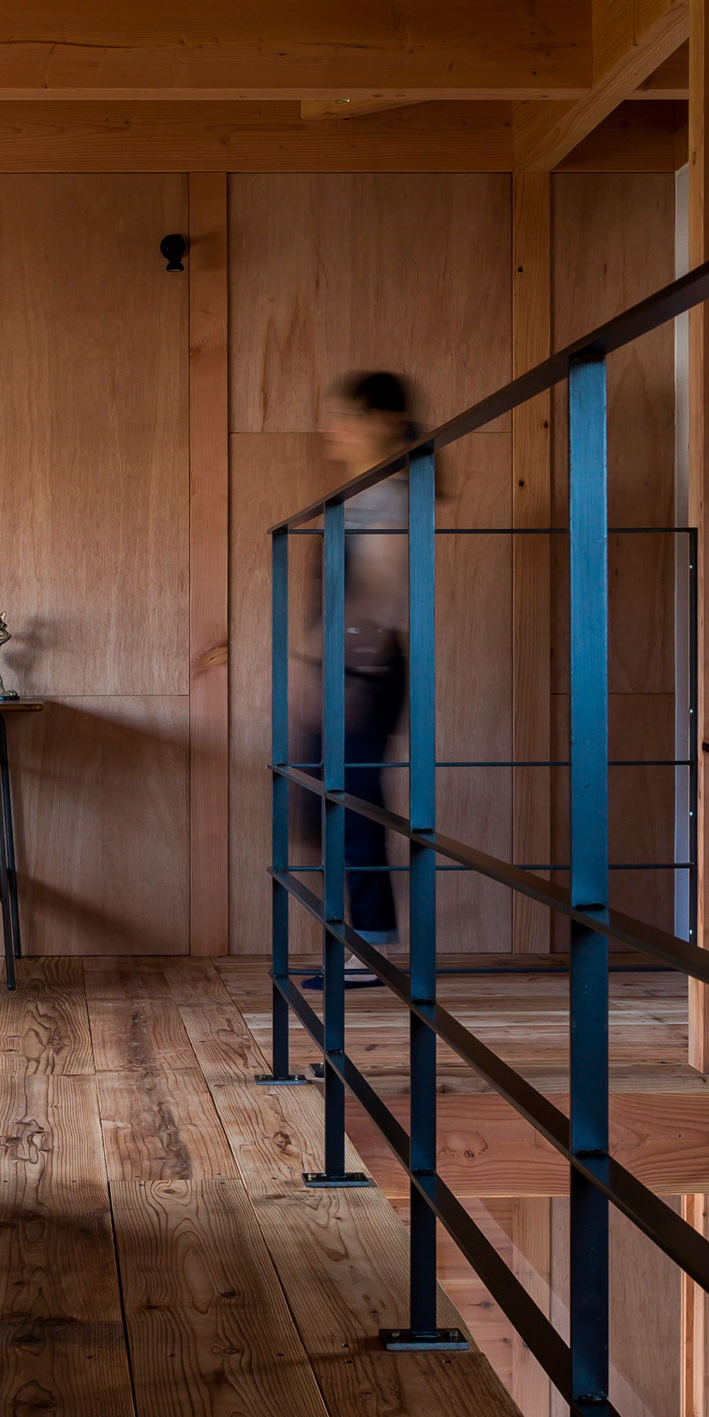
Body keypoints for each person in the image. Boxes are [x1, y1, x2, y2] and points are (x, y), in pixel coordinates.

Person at [298, 369, 420, 980]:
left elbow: (383, 593)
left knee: (351, 802)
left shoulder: (391, 496)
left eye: (344, 416)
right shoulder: (368, 493)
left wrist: (346, 672)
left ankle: (367, 946)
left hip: (364, 666)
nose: (333, 429)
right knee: (322, 799)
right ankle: (360, 939)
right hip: (345, 663)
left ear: (380, 422)